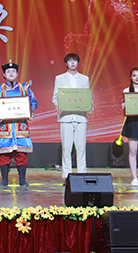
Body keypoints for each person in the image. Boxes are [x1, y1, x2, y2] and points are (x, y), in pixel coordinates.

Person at [0, 61, 37, 187]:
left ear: (17, 74)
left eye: (13, 71)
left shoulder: (25, 88)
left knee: (21, 154)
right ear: (4, 75)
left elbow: (33, 102)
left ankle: (22, 179)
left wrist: (31, 113)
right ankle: (4, 179)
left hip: (20, 126)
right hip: (5, 126)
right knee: (4, 154)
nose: (11, 73)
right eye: (8, 71)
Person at [52, 53, 91, 184]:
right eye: (70, 61)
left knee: (81, 148)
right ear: (66, 63)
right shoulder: (59, 78)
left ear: (78, 63)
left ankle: (81, 176)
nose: (73, 63)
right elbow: (55, 97)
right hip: (66, 117)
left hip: (81, 117)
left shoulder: (84, 79)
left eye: (75, 61)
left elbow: (87, 96)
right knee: (66, 148)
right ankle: (67, 177)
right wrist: (59, 106)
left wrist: (90, 107)